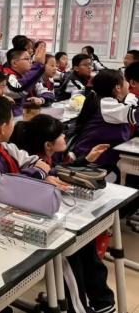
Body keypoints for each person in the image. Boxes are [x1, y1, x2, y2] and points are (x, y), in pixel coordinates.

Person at [11, 114, 114, 313]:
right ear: (48, 145)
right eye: (61, 135)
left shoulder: (50, 158)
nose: (65, 136)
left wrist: (86, 159)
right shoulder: (33, 164)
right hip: (38, 227)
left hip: (58, 216)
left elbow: (59, 170)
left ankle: (102, 301)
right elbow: (48, 177)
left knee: (86, 243)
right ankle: (79, 307)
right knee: (70, 251)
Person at [73, 69, 139, 173]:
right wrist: (132, 97)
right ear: (118, 87)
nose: (128, 84)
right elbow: (134, 114)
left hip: (102, 155)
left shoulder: (106, 101)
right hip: (93, 158)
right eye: (126, 81)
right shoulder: (106, 104)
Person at [3, 46, 45, 115]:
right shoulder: (6, 76)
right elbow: (18, 90)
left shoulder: (27, 76)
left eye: (31, 59)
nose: (31, 62)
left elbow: (46, 92)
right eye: (27, 59)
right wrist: (38, 65)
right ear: (14, 63)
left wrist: (41, 99)